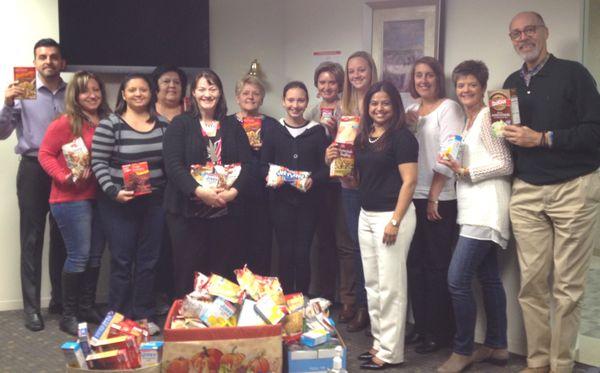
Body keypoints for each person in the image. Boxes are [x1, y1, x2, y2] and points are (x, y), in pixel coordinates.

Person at [503, 11, 600, 373]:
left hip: (573, 189)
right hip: (527, 191)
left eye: (529, 30)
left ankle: (561, 366)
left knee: (568, 288)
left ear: (545, 32)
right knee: (530, 286)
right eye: (515, 34)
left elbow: (595, 132)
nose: (523, 38)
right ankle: (538, 361)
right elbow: (507, 137)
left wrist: (543, 138)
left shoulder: (574, 74)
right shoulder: (510, 82)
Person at [436, 60, 512, 373]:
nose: (465, 90)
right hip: (474, 209)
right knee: (489, 278)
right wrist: (453, 164)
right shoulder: (468, 122)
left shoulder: (487, 116)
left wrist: (466, 171)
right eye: (461, 85)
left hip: (486, 209)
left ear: (482, 87)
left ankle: (463, 350)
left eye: (472, 84)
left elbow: (505, 163)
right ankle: (497, 345)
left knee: (457, 280)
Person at [163, 69, 252, 297]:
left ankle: (218, 324)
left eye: (212, 88)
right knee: (188, 271)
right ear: (193, 93)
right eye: (202, 89)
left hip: (226, 210)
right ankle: (189, 324)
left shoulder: (232, 125)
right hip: (187, 213)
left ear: (220, 92)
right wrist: (199, 191)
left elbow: (248, 165)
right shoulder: (180, 124)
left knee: (221, 272)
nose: (207, 94)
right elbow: (173, 166)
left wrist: (233, 193)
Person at [91, 74, 167, 335]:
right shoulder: (110, 125)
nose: (138, 94)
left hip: (154, 203)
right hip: (119, 203)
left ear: (151, 93)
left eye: (143, 89)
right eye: (132, 89)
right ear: (123, 94)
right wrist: (113, 192)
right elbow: (98, 162)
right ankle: (119, 317)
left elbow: (168, 163)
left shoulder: (163, 125)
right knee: (122, 261)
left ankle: (144, 314)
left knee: (149, 261)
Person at [0, 38, 67, 331]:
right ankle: (31, 309)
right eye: (42, 57)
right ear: (35, 61)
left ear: (62, 62)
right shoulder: (22, 91)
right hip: (32, 170)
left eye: (53, 57)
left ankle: (60, 301)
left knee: (64, 238)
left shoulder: (73, 92)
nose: (48, 61)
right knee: (31, 239)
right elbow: (2, 133)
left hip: (67, 170)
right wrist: (7, 104)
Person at [38, 71, 110, 335]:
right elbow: (45, 154)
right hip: (70, 199)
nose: (91, 95)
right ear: (75, 95)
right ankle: (68, 314)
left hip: (101, 198)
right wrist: (63, 176)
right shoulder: (65, 122)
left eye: (96, 90)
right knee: (78, 256)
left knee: (94, 257)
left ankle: (86, 306)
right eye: (84, 91)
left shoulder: (108, 121)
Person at [353, 81, 418, 370]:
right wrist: (337, 166)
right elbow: (358, 180)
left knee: (392, 287)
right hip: (366, 215)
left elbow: (410, 181)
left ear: (395, 107)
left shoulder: (402, 138)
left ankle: (392, 352)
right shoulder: (363, 136)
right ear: (367, 107)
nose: (379, 108)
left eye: (386, 103)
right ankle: (379, 343)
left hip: (392, 216)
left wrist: (395, 220)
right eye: (374, 103)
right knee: (373, 285)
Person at [404, 56, 463, 353]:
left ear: (438, 78)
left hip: (438, 198)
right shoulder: (411, 111)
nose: (423, 80)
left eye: (428, 75)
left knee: (436, 267)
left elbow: (450, 154)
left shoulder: (449, 108)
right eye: (418, 76)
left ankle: (439, 333)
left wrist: (434, 196)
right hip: (412, 196)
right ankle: (421, 326)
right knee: (414, 265)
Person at [327, 51, 379, 332]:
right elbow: (338, 144)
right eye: (352, 71)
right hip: (348, 184)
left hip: (375, 185)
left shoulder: (382, 99)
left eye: (362, 70)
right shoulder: (342, 106)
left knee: (375, 250)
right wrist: (331, 153)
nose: (357, 75)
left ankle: (373, 308)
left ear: (371, 70)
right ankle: (361, 305)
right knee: (357, 248)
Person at [261, 81, 328, 294]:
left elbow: (325, 168)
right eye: (291, 100)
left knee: (303, 252)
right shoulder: (272, 130)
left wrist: (313, 180)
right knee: (285, 252)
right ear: (283, 101)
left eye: (300, 100)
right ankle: (287, 298)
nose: (295, 105)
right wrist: (272, 176)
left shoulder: (317, 132)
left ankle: (303, 298)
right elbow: (263, 164)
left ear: (307, 102)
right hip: (280, 202)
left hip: (309, 204)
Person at [306, 62, 357, 323]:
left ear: (340, 85)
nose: (327, 87)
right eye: (322, 82)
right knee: (321, 242)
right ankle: (323, 296)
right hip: (319, 183)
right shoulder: (311, 111)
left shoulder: (349, 109)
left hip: (343, 184)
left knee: (345, 243)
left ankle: (348, 300)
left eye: (332, 82)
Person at [222, 75, 278, 275]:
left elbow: (279, 158)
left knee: (260, 246)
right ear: (237, 97)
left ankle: (258, 295)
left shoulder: (272, 125)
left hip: (262, 194)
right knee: (233, 246)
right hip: (233, 194)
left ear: (262, 99)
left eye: (256, 94)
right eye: (245, 93)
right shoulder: (225, 124)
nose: (250, 97)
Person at [150, 65, 188, 315]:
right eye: (166, 81)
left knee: (183, 247)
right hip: (155, 189)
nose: (172, 86)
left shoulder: (192, 113)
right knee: (158, 246)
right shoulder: (147, 114)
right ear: (157, 86)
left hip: (187, 189)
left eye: (176, 82)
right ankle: (159, 296)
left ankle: (182, 296)